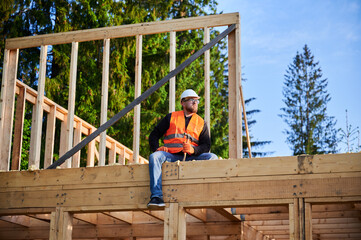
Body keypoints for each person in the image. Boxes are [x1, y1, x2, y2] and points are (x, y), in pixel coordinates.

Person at [147, 89, 218, 209]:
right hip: (171, 156)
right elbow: (154, 135)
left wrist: (193, 150)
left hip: (192, 157)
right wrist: (157, 148)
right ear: (182, 103)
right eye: (191, 100)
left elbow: (206, 146)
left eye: (196, 101)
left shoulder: (201, 123)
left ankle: (206, 194)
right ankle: (157, 197)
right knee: (154, 157)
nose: (195, 102)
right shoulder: (171, 117)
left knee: (212, 157)